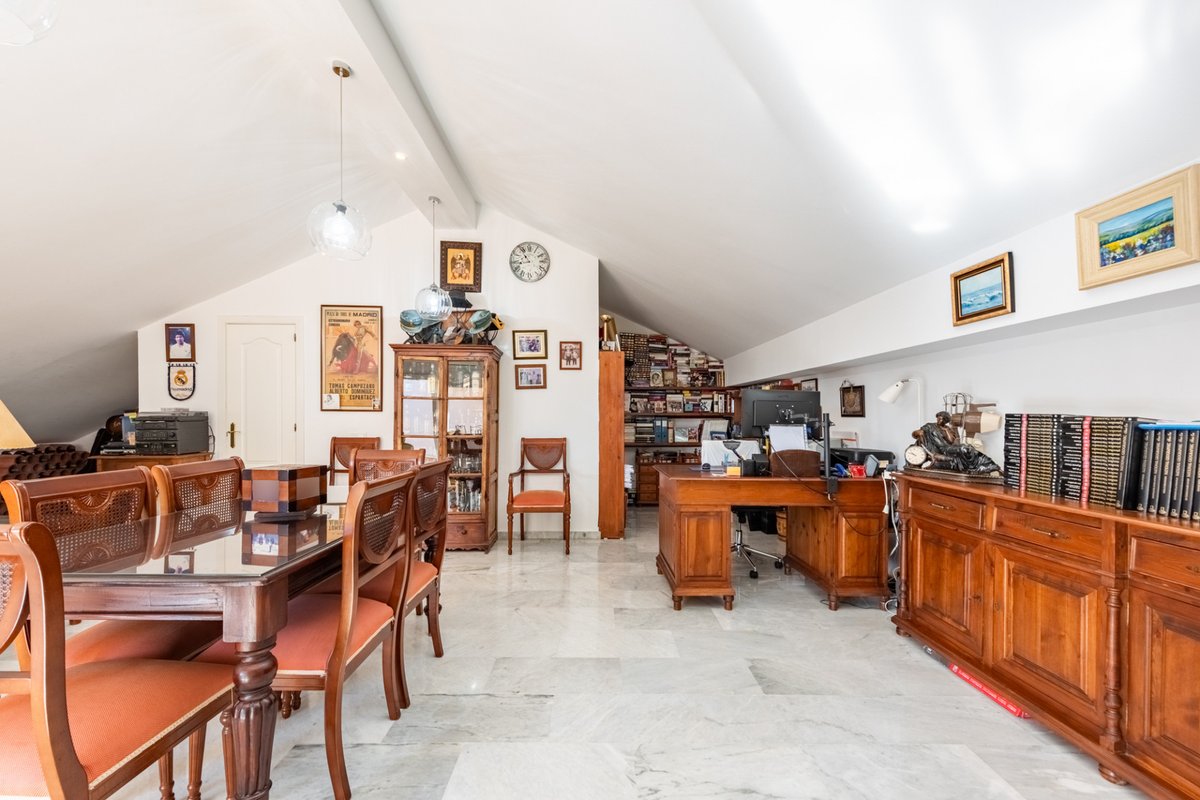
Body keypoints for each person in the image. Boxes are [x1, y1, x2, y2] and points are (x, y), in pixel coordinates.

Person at [916, 411, 1000, 475]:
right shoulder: (930, 426)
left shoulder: (947, 428)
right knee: (964, 448)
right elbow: (915, 433)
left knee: (968, 448)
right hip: (941, 450)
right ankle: (983, 466)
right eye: (938, 418)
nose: (939, 420)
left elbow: (951, 441)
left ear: (945, 421)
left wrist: (946, 430)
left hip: (947, 448)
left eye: (942, 419)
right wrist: (918, 433)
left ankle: (988, 465)